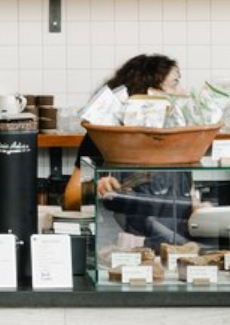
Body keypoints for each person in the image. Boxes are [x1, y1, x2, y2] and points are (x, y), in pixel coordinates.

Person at [62, 54, 182, 212]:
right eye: (174, 84)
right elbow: (71, 199)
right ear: (151, 91)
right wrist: (95, 188)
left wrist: (197, 207)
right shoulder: (101, 137)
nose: (181, 91)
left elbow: (186, 194)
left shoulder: (180, 136)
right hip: (115, 229)